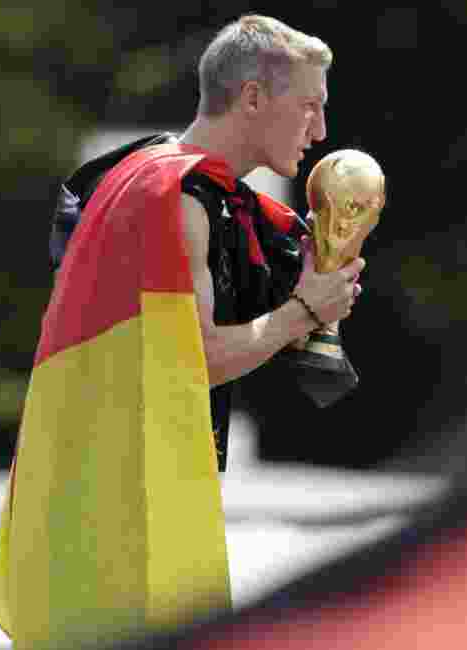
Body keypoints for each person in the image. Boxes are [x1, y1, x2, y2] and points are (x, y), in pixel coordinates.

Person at [49, 14, 364, 471]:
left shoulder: (152, 174)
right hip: (125, 499)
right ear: (253, 98)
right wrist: (306, 311)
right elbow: (194, 361)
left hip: (105, 478)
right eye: (309, 106)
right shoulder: (178, 200)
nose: (320, 132)